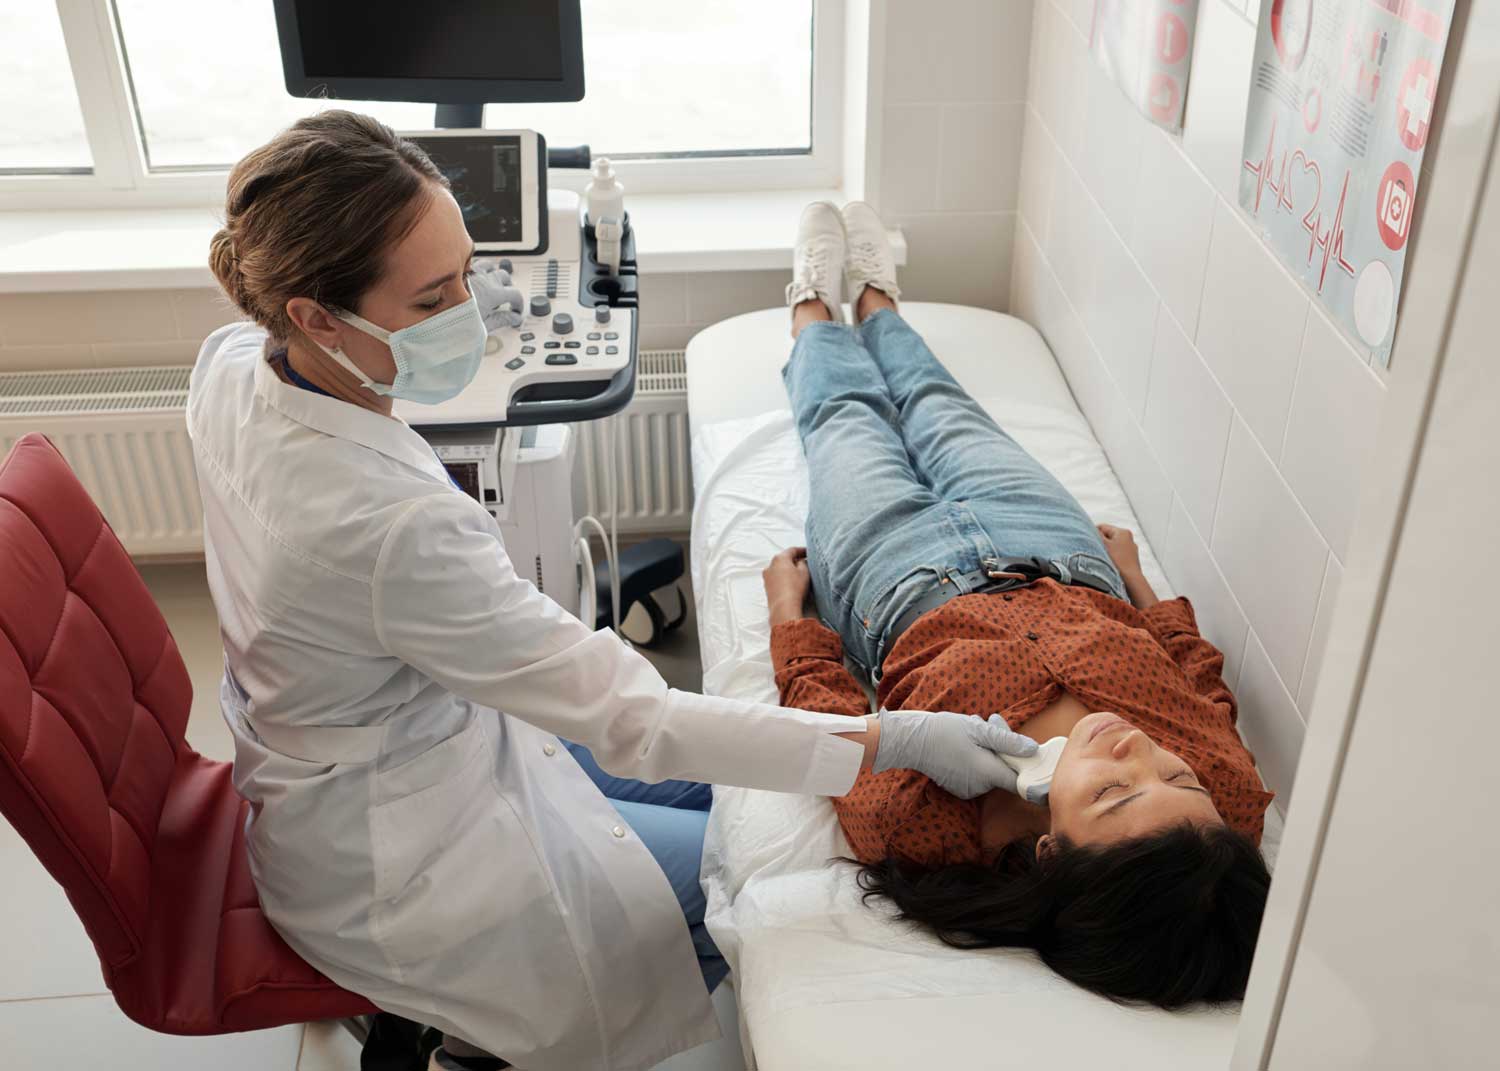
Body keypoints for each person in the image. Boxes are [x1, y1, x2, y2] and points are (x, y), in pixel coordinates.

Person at [187, 111, 1042, 1071]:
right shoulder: (385, 530)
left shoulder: (229, 366)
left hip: (394, 749)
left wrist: (447, 311)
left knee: (751, 807)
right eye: (434, 299)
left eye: (469, 272)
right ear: (313, 313)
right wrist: (893, 737)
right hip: (400, 860)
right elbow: (635, 718)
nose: (473, 312)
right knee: (743, 875)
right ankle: (482, 1039)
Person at [760, 199, 1276, 1008]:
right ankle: (873, 298)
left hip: (894, 580)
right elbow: (1200, 683)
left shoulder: (927, 832)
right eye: (1171, 768)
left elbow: (826, 723)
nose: (1131, 746)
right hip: (1058, 550)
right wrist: (1138, 581)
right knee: (938, 402)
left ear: (1048, 855)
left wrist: (789, 618)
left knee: (843, 420)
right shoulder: (1226, 806)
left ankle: (809, 308)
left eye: (1112, 790)